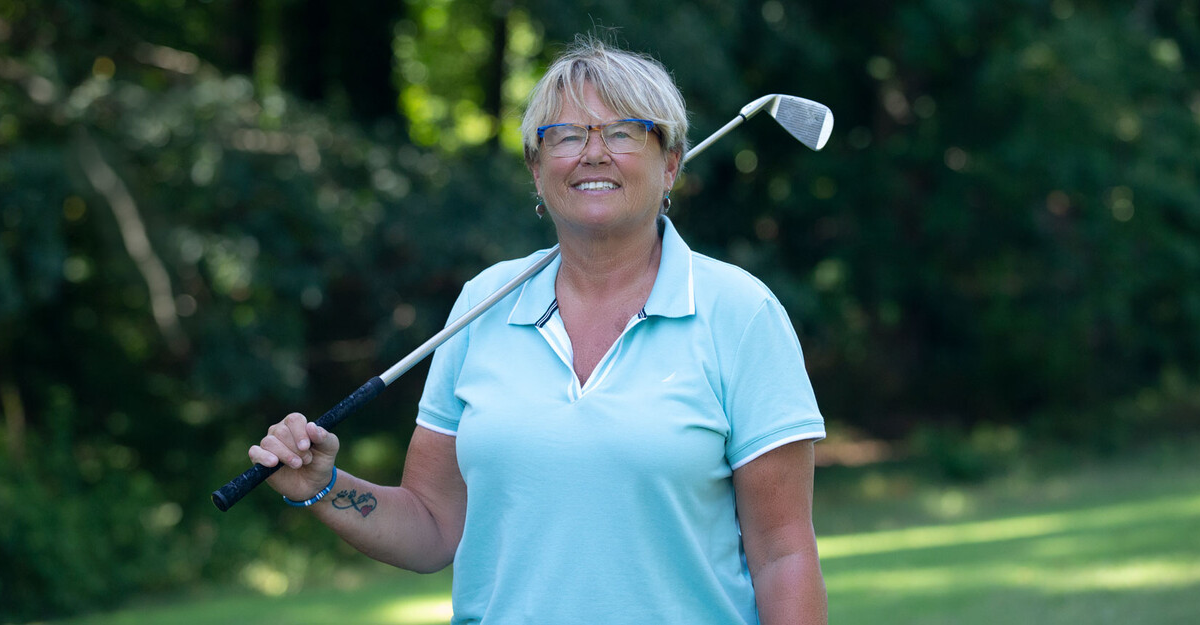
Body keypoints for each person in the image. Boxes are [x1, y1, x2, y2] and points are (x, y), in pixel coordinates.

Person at [248, 34, 828, 624]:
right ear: (536, 167)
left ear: (671, 163)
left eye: (623, 132)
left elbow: (783, 555)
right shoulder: (483, 304)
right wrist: (323, 487)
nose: (593, 153)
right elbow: (432, 526)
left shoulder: (741, 312)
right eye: (567, 135)